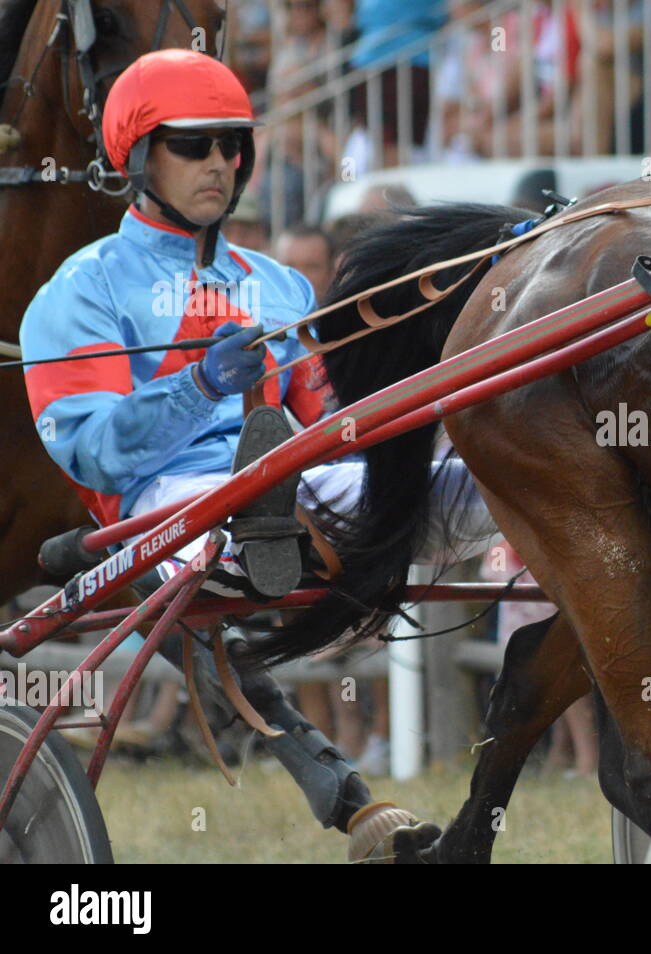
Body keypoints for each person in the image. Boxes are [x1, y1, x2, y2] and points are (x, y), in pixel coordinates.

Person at [19, 50, 492, 861]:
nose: (220, 165)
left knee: (477, 483)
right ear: (137, 156)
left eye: (234, 146)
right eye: (195, 144)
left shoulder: (278, 286)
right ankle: (259, 520)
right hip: (159, 509)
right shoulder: (81, 289)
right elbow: (94, 451)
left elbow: (332, 425)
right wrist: (200, 386)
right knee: (216, 517)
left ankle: (298, 511)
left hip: (298, 483)